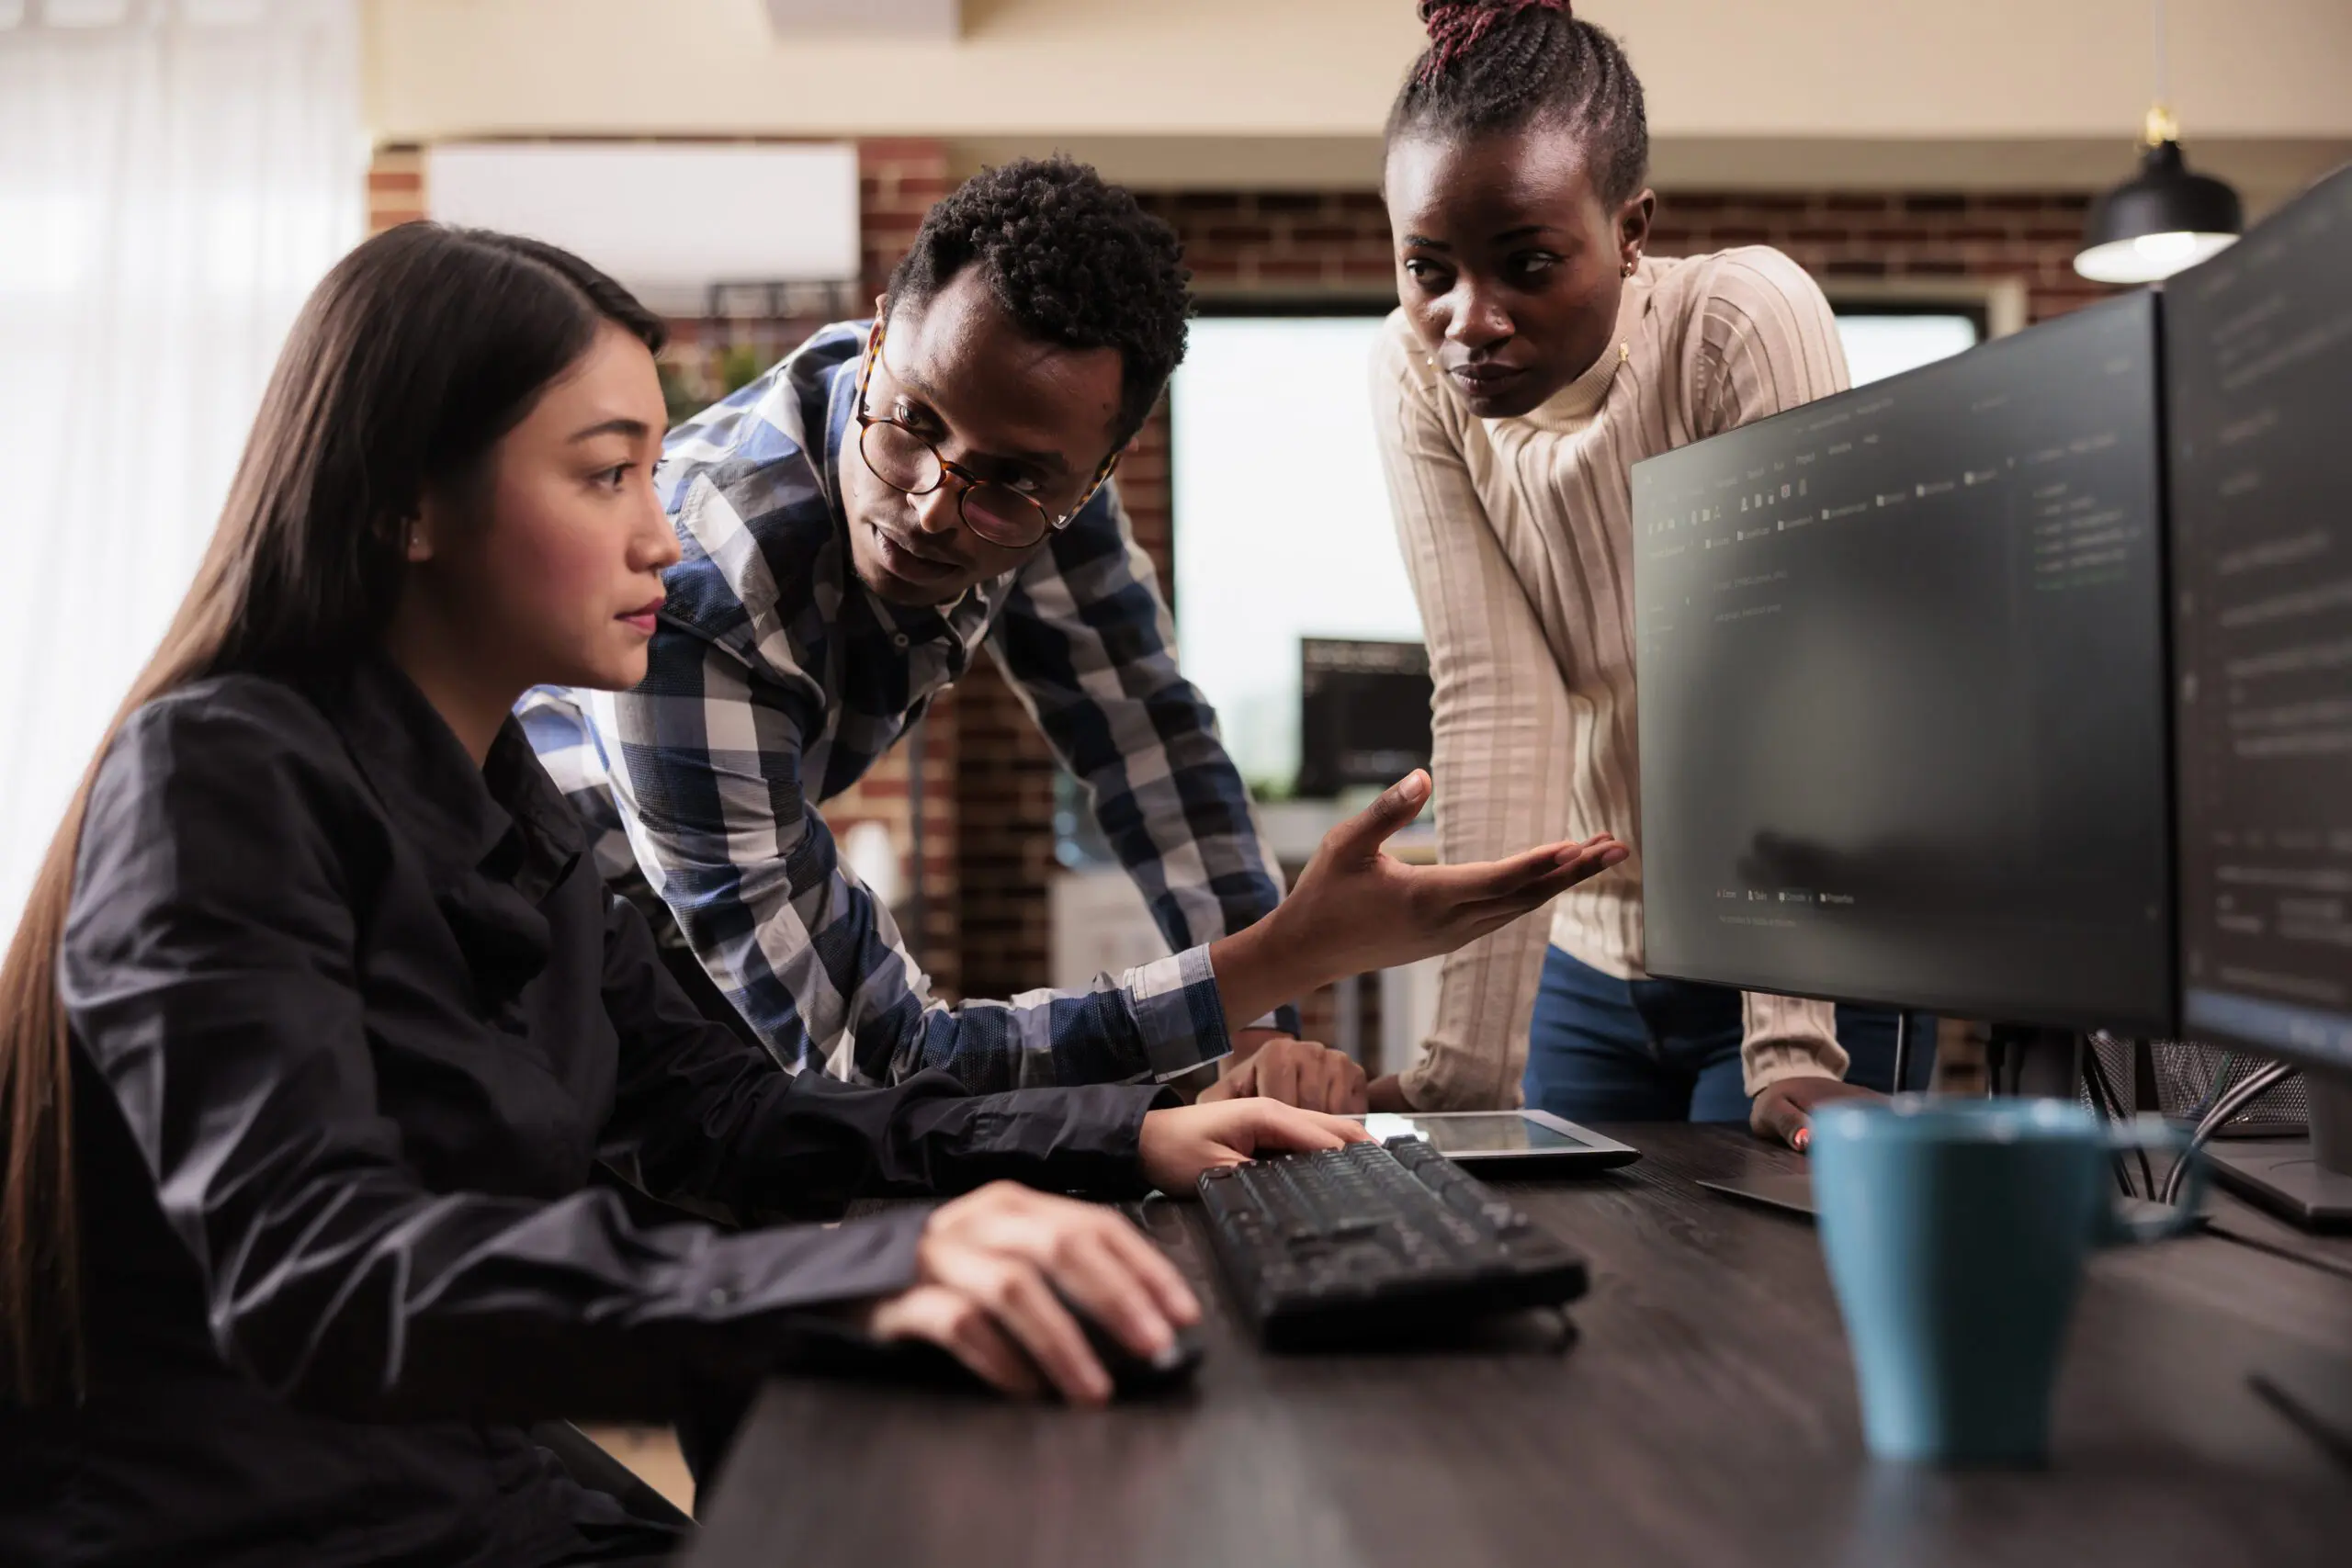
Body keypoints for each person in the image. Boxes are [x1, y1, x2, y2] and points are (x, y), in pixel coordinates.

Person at [0, 224, 1623, 1568]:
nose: (661, 533)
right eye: (607, 475)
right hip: (259, 1521)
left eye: (651, 466)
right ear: (404, 502)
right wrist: (873, 1269)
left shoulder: (519, 808)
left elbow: (739, 1119)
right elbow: (326, 1279)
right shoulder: (221, 774)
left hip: (448, 1477)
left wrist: (1127, 1135)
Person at [525, 156, 1374, 1112]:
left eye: (1013, 479)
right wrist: (1253, 971)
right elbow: (878, 1057)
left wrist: (1256, 1032)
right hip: (526, 960)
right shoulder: (693, 593)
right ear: (878, 337)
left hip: (697, 947)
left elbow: (1148, 740)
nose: (934, 507)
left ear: (1092, 474)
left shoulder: (1035, 478)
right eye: (914, 422)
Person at [1363, 0, 1928, 1143]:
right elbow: (1494, 693)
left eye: (1527, 263)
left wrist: (1789, 1051)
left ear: (1630, 229)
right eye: (1429, 270)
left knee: (1764, 1284)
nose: (1468, 321)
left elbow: (1783, 677)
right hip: (1588, 958)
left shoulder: (1737, 325)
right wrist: (1462, 1067)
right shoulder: (1413, 371)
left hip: (1809, 945)